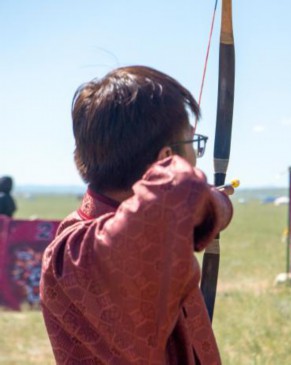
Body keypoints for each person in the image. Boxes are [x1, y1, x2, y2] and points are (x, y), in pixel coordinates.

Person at [40, 66, 233, 364]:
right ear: (167, 160)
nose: (195, 156)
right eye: (192, 142)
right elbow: (178, 191)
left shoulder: (125, 233)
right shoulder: (82, 250)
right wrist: (215, 203)